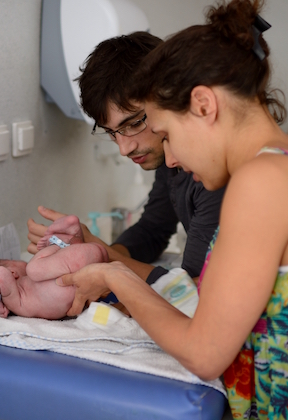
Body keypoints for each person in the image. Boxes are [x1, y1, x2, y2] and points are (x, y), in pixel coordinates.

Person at [56, 1, 288, 420]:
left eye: (166, 134)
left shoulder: (260, 182)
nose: (168, 159)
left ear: (204, 105)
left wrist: (112, 274)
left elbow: (204, 353)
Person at [27, 31, 225, 286]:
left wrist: (100, 253)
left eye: (133, 124)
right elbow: (153, 230)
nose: (124, 148)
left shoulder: (213, 173)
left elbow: (192, 290)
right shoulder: (169, 160)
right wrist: (87, 253)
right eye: (112, 133)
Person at [0, 216, 108, 319]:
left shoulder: (23, 301)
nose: (23, 261)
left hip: (82, 274)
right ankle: (61, 243)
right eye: (14, 261)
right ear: (13, 273)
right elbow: (0, 274)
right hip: (87, 277)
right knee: (33, 269)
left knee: (35, 271)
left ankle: (67, 242)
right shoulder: (13, 297)